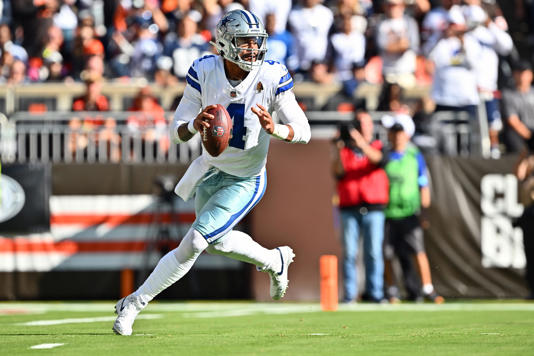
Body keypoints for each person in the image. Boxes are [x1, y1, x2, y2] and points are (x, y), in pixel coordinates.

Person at [113, 9, 311, 336]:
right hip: (209, 169)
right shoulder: (204, 70)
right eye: (244, 42)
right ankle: (275, 261)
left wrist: (275, 129)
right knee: (216, 242)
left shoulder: (272, 74)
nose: (252, 49)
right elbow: (176, 130)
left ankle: (134, 303)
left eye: (255, 42)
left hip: (246, 179)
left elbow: (302, 129)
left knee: (194, 241)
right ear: (223, 44)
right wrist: (194, 125)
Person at [381, 113, 443, 304]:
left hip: (410, 212)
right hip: (388, 212)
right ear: (390, 135)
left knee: (418, 251)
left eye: (400, 133)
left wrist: (424, 211)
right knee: (387, 254)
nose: (398, 136)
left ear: (406, 135)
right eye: (394, 133)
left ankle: (428, 288)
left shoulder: (414, 155)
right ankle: (391, 290)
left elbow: (423, 184)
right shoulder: (384, 156)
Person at [331, 111, 389, 303]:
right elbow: (338, 172)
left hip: (374, 209)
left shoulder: (378, 145)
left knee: (373, 252)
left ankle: (376, 293)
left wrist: (361, 143)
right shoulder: (346, 151)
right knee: (349, 253)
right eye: (360, 124)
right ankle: (349, 295)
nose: (363, 128)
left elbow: (378, 160)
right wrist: (338, 148)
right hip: (349, 208)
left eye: (365, 124)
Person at [515, 136, 534, 300]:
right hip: (529, 214)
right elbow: (519, 174)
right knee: (529, 252)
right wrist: (524, 156)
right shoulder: (529, 159)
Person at [501, 60, 534, 154]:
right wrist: (529, 137)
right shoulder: (508, 94)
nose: (522, 76)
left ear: (531, 75)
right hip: (519, 132)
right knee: (512, 136)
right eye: (519, 73)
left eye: (524, 73)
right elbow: (512, 120)